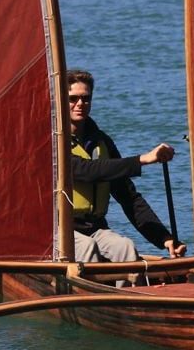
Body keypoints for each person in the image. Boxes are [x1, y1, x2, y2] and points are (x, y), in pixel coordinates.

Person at [65, 69, 187, 263]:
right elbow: (85, 170)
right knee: (88, 249)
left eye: (86, 98)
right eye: (73, 99)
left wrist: (164, 238)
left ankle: (130, 293)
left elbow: (128, 197)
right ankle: (95, 293)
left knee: (125, 247)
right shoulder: (52, 142)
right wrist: (142, 159)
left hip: (95, 228)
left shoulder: (101, 142)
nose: (80, 104)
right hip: (60, 233)